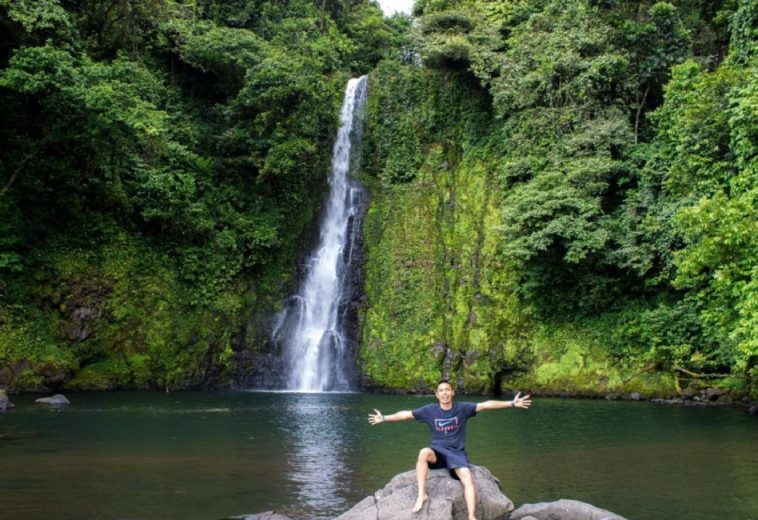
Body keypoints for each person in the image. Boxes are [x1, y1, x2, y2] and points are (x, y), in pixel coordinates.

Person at [368, 380, 531, 520]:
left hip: (457, 453)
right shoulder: (429, 411)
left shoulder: (462, 409)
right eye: (441, 391)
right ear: (437, 395)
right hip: (437, 452)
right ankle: (421, 495)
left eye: (447, 390)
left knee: (467, 477)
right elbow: (406, 415)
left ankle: (471, 516)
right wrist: (384, 418)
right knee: (423, 452)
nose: (444, 393)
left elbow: (486, 405)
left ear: (452, 392)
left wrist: (511, 403)